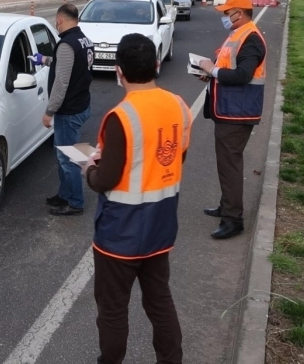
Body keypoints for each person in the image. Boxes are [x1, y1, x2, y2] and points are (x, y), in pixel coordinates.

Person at [83, 33, 192, 364]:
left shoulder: (121, 116)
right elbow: (175, 158)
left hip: (120, 235)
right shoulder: (179, 105)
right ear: (157, 65)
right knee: (159, 300)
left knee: (113, 310)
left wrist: (89, 167)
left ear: (119, 72)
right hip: (161, 227)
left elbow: (105, 180)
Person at [196, 0, 267, 240]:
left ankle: (233, 219)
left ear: (240, 12)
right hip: (228, 109)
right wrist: (210, 73)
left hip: (238, 112)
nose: (225, 17)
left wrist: (211, 69)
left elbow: (243, 76)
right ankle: (227, 207)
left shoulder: (251, 39)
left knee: (230, 165)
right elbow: (228, 68)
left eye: (228, 13)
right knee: (226, 164)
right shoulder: (238, 34)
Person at [29, 3, 94, 216]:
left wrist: (49, 111)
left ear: (59, 19)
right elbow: (66, 65)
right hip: (81, 104)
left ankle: (75, 202)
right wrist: (43, 60)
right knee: (64, 154)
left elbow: (61, 82)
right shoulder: (84, 40)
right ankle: (64, 194)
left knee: (68, 159)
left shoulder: (66, 44)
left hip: (68, 110)